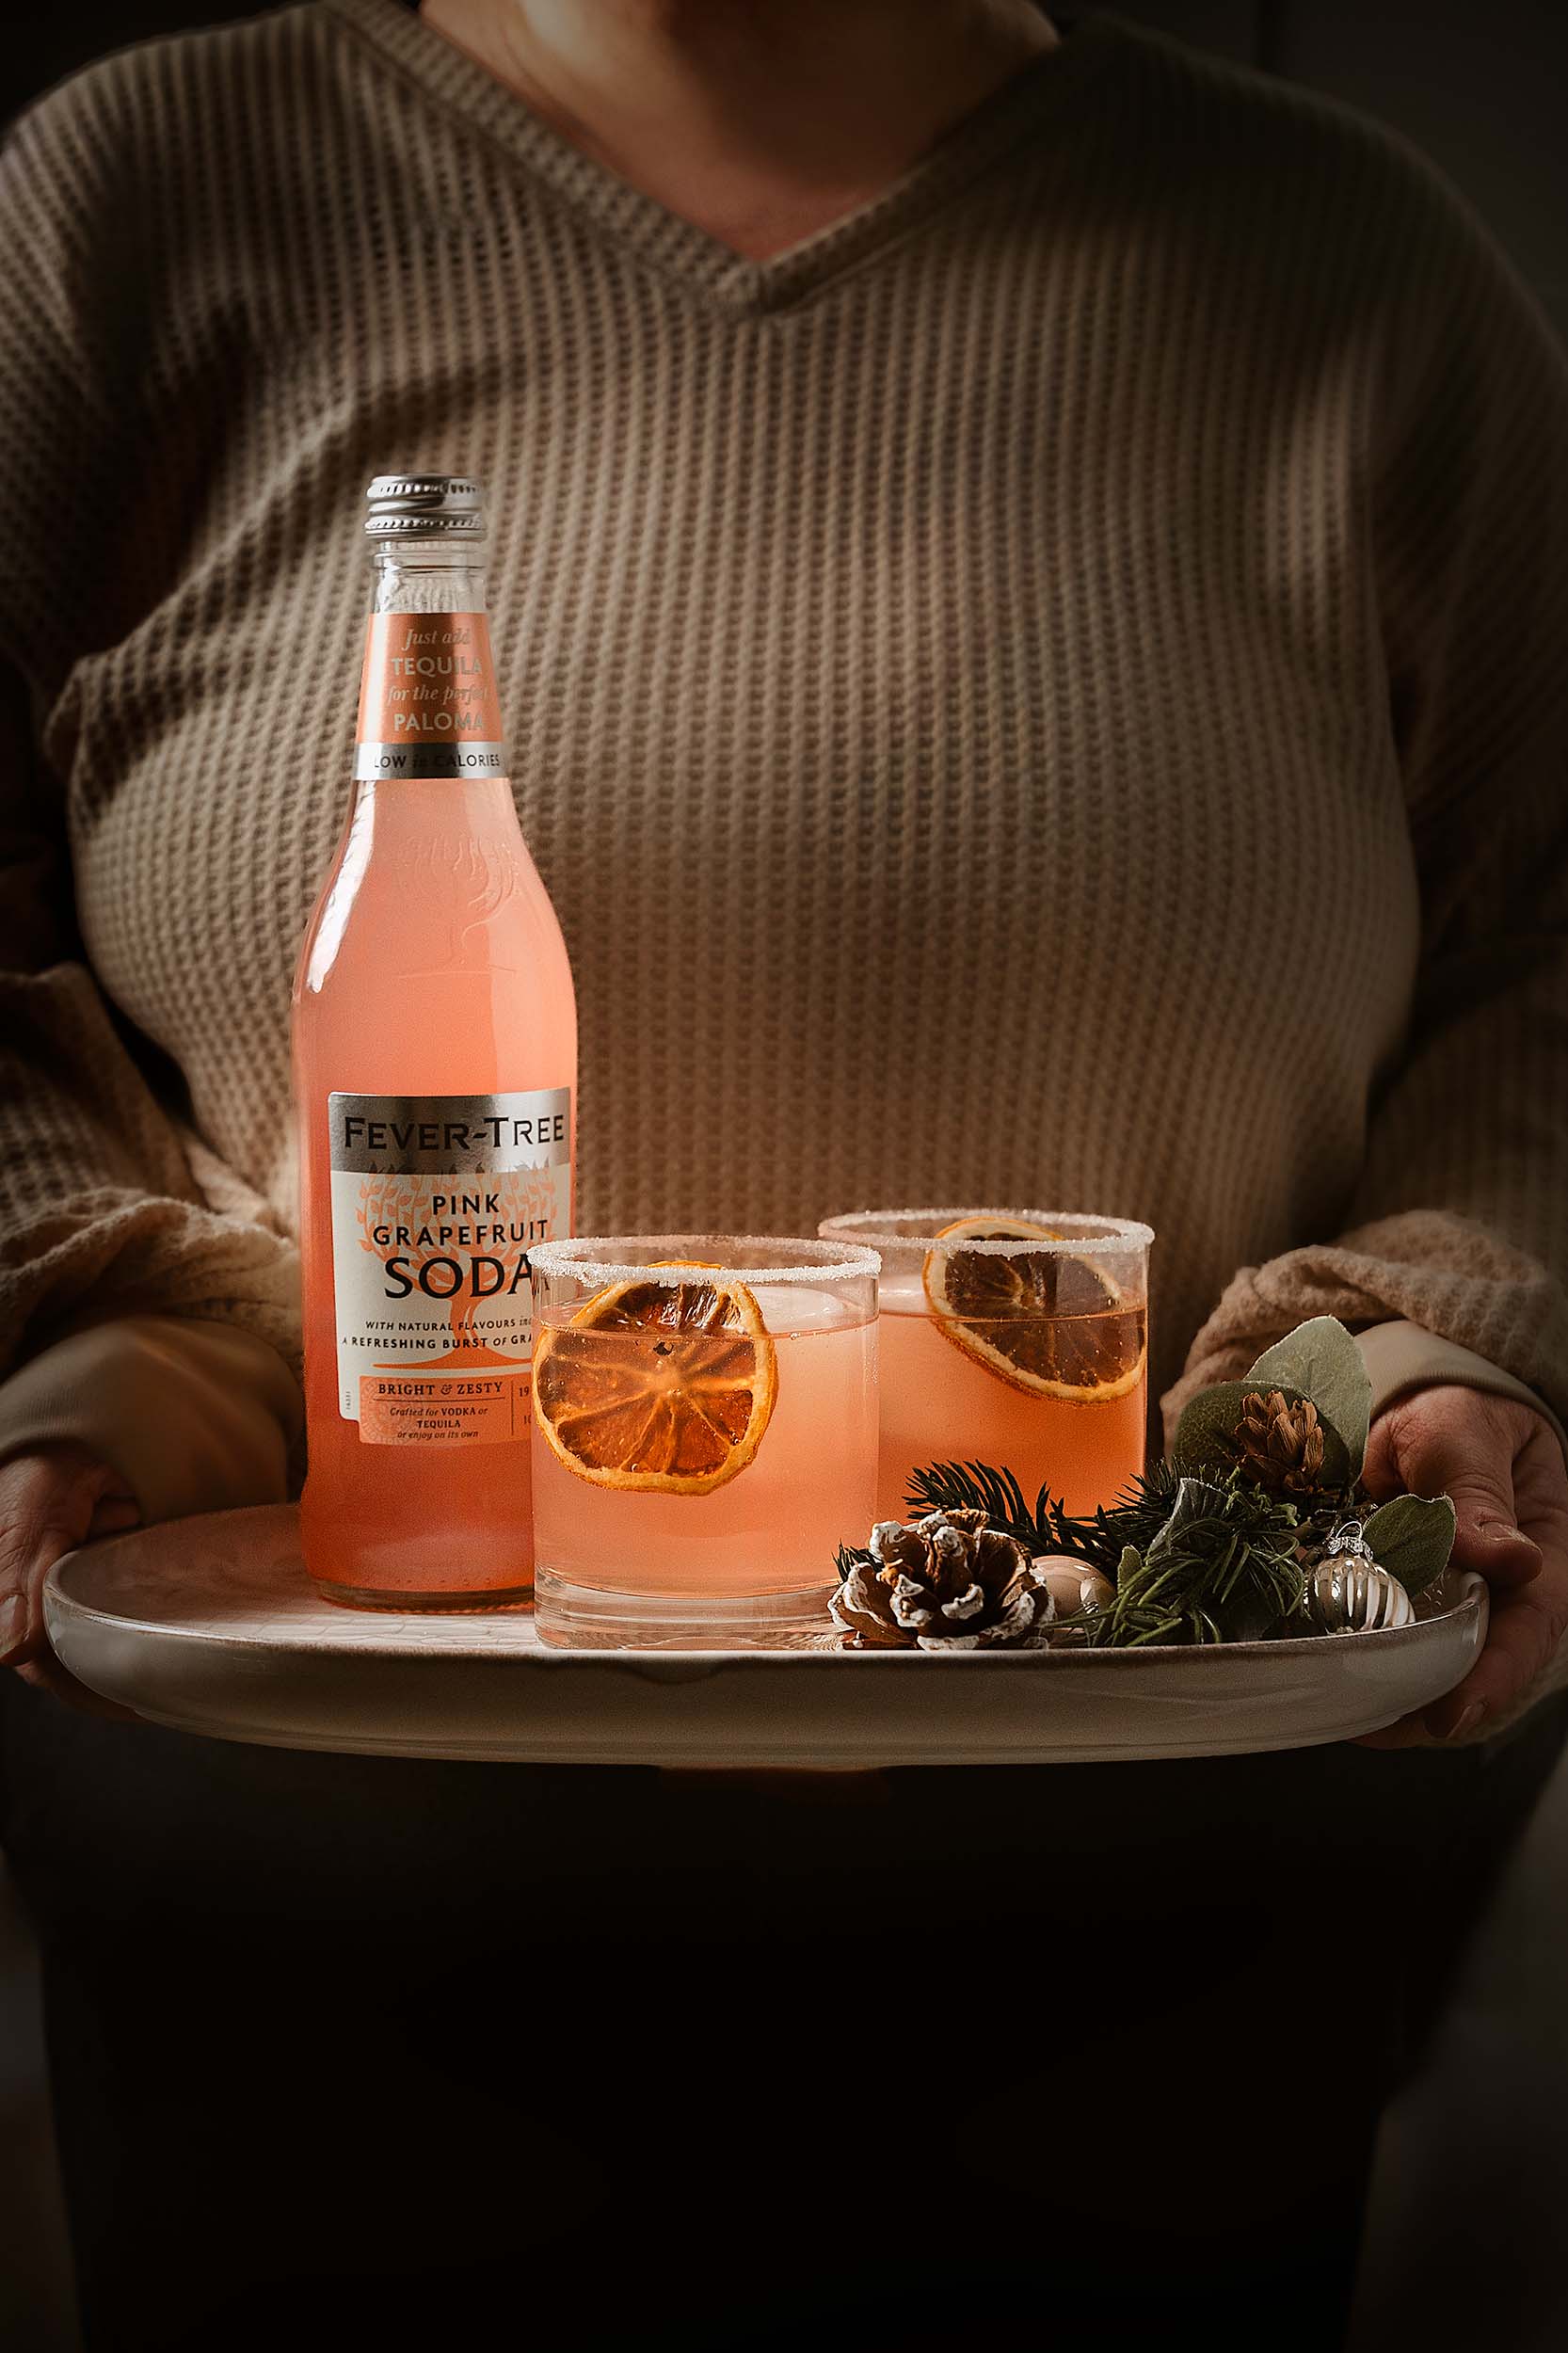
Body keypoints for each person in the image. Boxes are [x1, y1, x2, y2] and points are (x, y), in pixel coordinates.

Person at [0, 1, 1564, 2345]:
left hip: (1164, 1880)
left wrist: (1418, 1336)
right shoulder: (123, 203)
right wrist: (132, 1342)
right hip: (280, 1842)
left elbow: (1543, 962)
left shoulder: (1355, 269)